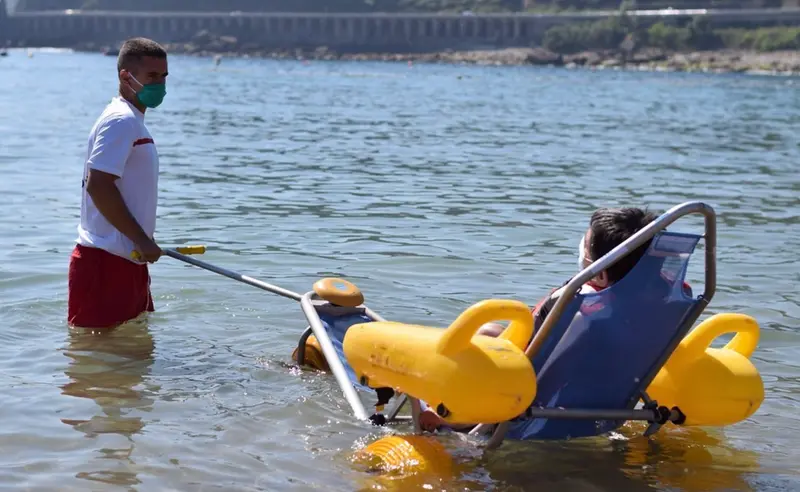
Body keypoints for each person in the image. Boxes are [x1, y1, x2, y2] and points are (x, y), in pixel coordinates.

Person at [419, 207, 659, 432]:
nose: (581, 251)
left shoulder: (580, 304)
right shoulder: (658, 302)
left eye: (585, 248)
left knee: (478, 338)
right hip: (601, 404)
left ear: (602, 274)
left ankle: (446, 414)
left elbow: (545, 366)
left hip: (525, 401)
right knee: (492, 331)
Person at [67, 37, 169, 329]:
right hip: (104, 262)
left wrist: (142, 243)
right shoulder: (120, 121)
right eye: (152, 76)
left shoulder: (133, 122)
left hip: (128, 259)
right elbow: (98, 185)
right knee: (98, 362)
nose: (160, 85)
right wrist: (142, 239)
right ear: (127, 76)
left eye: (163, 77)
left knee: (133, 360)